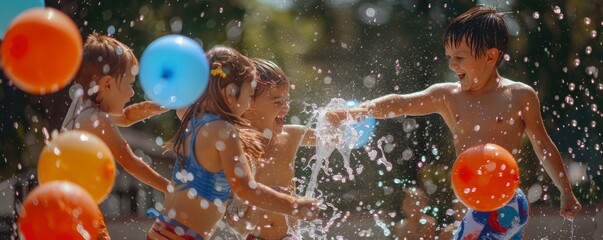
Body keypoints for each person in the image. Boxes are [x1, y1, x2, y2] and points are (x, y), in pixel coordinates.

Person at [330, 5, 581, 239]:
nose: (451, 64)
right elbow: (400, 103)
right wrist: (359, 111)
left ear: (490, 56)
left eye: (459, 58)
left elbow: (543, 145)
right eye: (449, 57)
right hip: (468, 202)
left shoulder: (519, 96)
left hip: (505, 203)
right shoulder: (448, 97)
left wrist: (566, 192)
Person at [147, 47, 319, 240]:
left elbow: (182, 102)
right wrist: (294, 206)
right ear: (230, 93)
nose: (248, 103)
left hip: (163, 230)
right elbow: (245, 189)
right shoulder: (224, 131)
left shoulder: (196, 119)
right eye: (249, 94)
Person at [62, 33, 170, 239]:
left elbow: (127, 116)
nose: (131, 93)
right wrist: (167, 187)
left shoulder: (82, 107)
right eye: (129, 84)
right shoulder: (97, 118)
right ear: (108, 84)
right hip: (76, 206)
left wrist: (152, 108)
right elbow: (130, 162)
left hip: (64, 201)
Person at [223, 58, 320, 240]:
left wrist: (359, 112)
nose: (286, 107)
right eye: (277, 102)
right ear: (248, 104)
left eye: (286, 100)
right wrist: (274, 197)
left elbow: (334, 135)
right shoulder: (236, 147)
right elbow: (234, 220)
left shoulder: (291, 136)